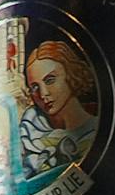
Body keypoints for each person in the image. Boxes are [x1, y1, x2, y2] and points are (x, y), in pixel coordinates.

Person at [18, 38, 100, 179]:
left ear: (70, 74)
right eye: (35, 87)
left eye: (50, 80)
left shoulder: (94, 130)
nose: (43, 94)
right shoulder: (29, 130)